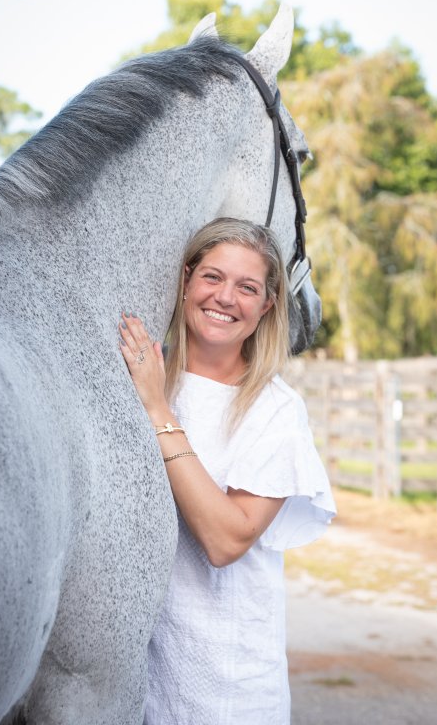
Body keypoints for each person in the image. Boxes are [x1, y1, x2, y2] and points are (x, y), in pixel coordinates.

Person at [118, 217, 336, 725]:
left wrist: (157, 411)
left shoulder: (274, 410)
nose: (224, 297)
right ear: (186, 280)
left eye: (247, 287)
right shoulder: (142, 371)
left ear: (267, 306)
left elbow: (227, 540)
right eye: (212, 277)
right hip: (137, 686)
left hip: (227, 690)